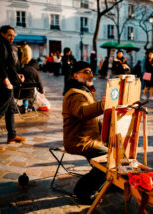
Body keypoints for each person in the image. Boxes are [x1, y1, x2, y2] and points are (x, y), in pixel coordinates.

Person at [62, 61, 107, 203]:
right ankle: (82, 191)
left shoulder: (84, 91)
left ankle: (107, 182)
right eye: (86, 72)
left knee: (116, 153)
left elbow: (93, 118)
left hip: (90, 138)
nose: (91, 75)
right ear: (76, 75)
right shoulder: (74, 94)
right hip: (80, 141)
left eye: (91, 72)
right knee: (109, 160)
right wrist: (101, 105)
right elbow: (82, 112)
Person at [0, 25, 26, 151]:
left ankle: (11, 135)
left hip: (7, 82)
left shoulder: (5, 45)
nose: (12, 37)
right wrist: (6, 81)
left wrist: (17, 76)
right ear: (2, 34)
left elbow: (8, 66)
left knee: (10, 109)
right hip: (3, 84)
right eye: (9, 35)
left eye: (13, 35)